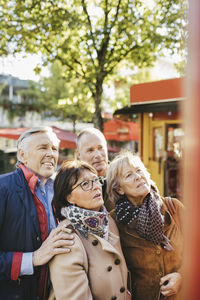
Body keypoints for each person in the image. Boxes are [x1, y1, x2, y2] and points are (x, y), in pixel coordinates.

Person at [0, 126, 74, 300]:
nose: (51, 154)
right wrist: (32, 258)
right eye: (43, 148)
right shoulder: (2, 188)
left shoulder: (62, 191)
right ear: (22, 155)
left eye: (54, 149)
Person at [48, 159, 131, 300]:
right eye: (85, 184)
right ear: (69, 197)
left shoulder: (108, 221)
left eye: (96, 180)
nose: (96, 187)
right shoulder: (66, 239)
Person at [106, 151, 184, 300]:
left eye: (139, 170)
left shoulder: (173, 207)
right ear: (119, 189)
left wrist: (183, 276)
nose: (138, 177)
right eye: (128, 175)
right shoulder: (114, 221)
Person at [76, 127, 114, 211]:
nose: (98, 155)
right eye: (90, 150)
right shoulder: (73, 185)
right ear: (78, 154)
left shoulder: (122, 177)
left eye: (101, 148)